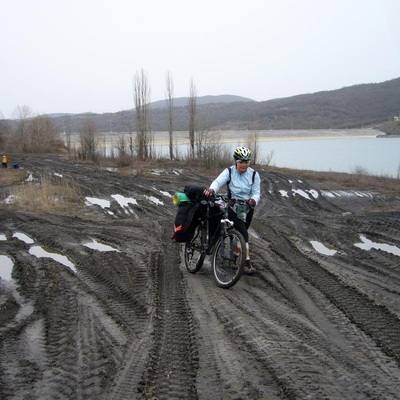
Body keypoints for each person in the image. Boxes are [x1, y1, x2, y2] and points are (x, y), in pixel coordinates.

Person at [204, 146, 261, 274]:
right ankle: (247, 263)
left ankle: (235, 256)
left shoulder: (254, 175)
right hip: (232, 206)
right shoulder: (229, 172)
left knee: (243, 232)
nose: (244, 165)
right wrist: (212, 190)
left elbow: (256, 192)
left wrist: (253, 200)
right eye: (241, 162)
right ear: (236, 162)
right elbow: (218, 182)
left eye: (246, 162)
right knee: (243, 234)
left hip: (247, 207)